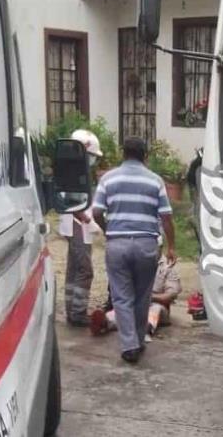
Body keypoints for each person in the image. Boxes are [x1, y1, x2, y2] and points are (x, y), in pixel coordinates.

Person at [92, 137, 177, 364]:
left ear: (123, 153)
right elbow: (166, 217)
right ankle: (138, 341)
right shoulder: (155, 180)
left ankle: (129, 345)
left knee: (121, 297)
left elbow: (96, 212)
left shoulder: (108, 178)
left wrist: (108, 229)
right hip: (146, 244)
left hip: (117, 244)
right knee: (142, 296)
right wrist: (172, 247)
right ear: (145, 156)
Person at [90, 243, 182, 340]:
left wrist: (148, 297)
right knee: (123, 308)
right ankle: (105, 322)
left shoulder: (167, 268)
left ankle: (146, 327)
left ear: (160, 248)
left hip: (157, 304)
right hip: (135, 301)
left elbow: (170, 295)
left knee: (154, 309)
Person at [58, 129, 102, 326]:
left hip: (75, 224)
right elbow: (71, 203)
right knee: (85, 270)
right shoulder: (72, 171)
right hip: (77, 225)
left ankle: (72, 311)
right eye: (91, 156)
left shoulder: (72, 169)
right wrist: (88, 220)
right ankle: (78, 313)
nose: (93, 160)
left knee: (74, 269)